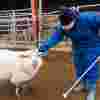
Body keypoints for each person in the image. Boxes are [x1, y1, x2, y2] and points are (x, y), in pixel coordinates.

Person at [36, 6, 100, 100]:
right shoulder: (62, 27)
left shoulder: (88, 18)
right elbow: (55, 37)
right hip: (77, 47)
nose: (66, 28)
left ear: (74, 19)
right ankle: (82, 84)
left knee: (91, 67)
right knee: (79, 66)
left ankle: (91, 89)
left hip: (93, 46)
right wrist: (43, 48)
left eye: (68, 25)